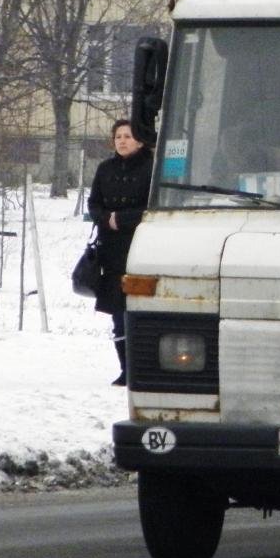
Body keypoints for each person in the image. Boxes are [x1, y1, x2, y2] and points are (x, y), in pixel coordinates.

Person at [89, 118, 152, 386]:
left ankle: (144, 368)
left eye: (127, 136)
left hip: (141, 247)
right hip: (112, 250)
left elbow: (154, 206)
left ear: (139, 140)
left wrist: (123, 219)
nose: (122, 141)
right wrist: (106, 219)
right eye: (118, 137)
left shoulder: (152, 168)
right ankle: (126, 369)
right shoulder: (105, 169)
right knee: (118, 314)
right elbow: (94, 203)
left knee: (139, 311)